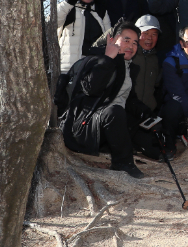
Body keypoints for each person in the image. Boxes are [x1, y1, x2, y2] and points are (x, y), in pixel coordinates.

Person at [60, 22, 160, 179]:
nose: (131, 46)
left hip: (111, 124)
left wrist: (149, 116)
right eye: (126, 40)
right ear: (112, 40)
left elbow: (130, 99)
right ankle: (123, 164)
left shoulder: (129, 66)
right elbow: (90, 89)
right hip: (83, 127)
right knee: (115, 112)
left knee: (153, 147)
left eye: (135, 42)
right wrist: (108, 58)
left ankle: (118, 148)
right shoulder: (98, 59)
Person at [57, 0, 111, 74]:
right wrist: (69, 2)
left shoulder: (101, 11)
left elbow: (108, 39)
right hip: (67, 70)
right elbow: (51, 24)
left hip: (93, 71)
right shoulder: (67, 7)